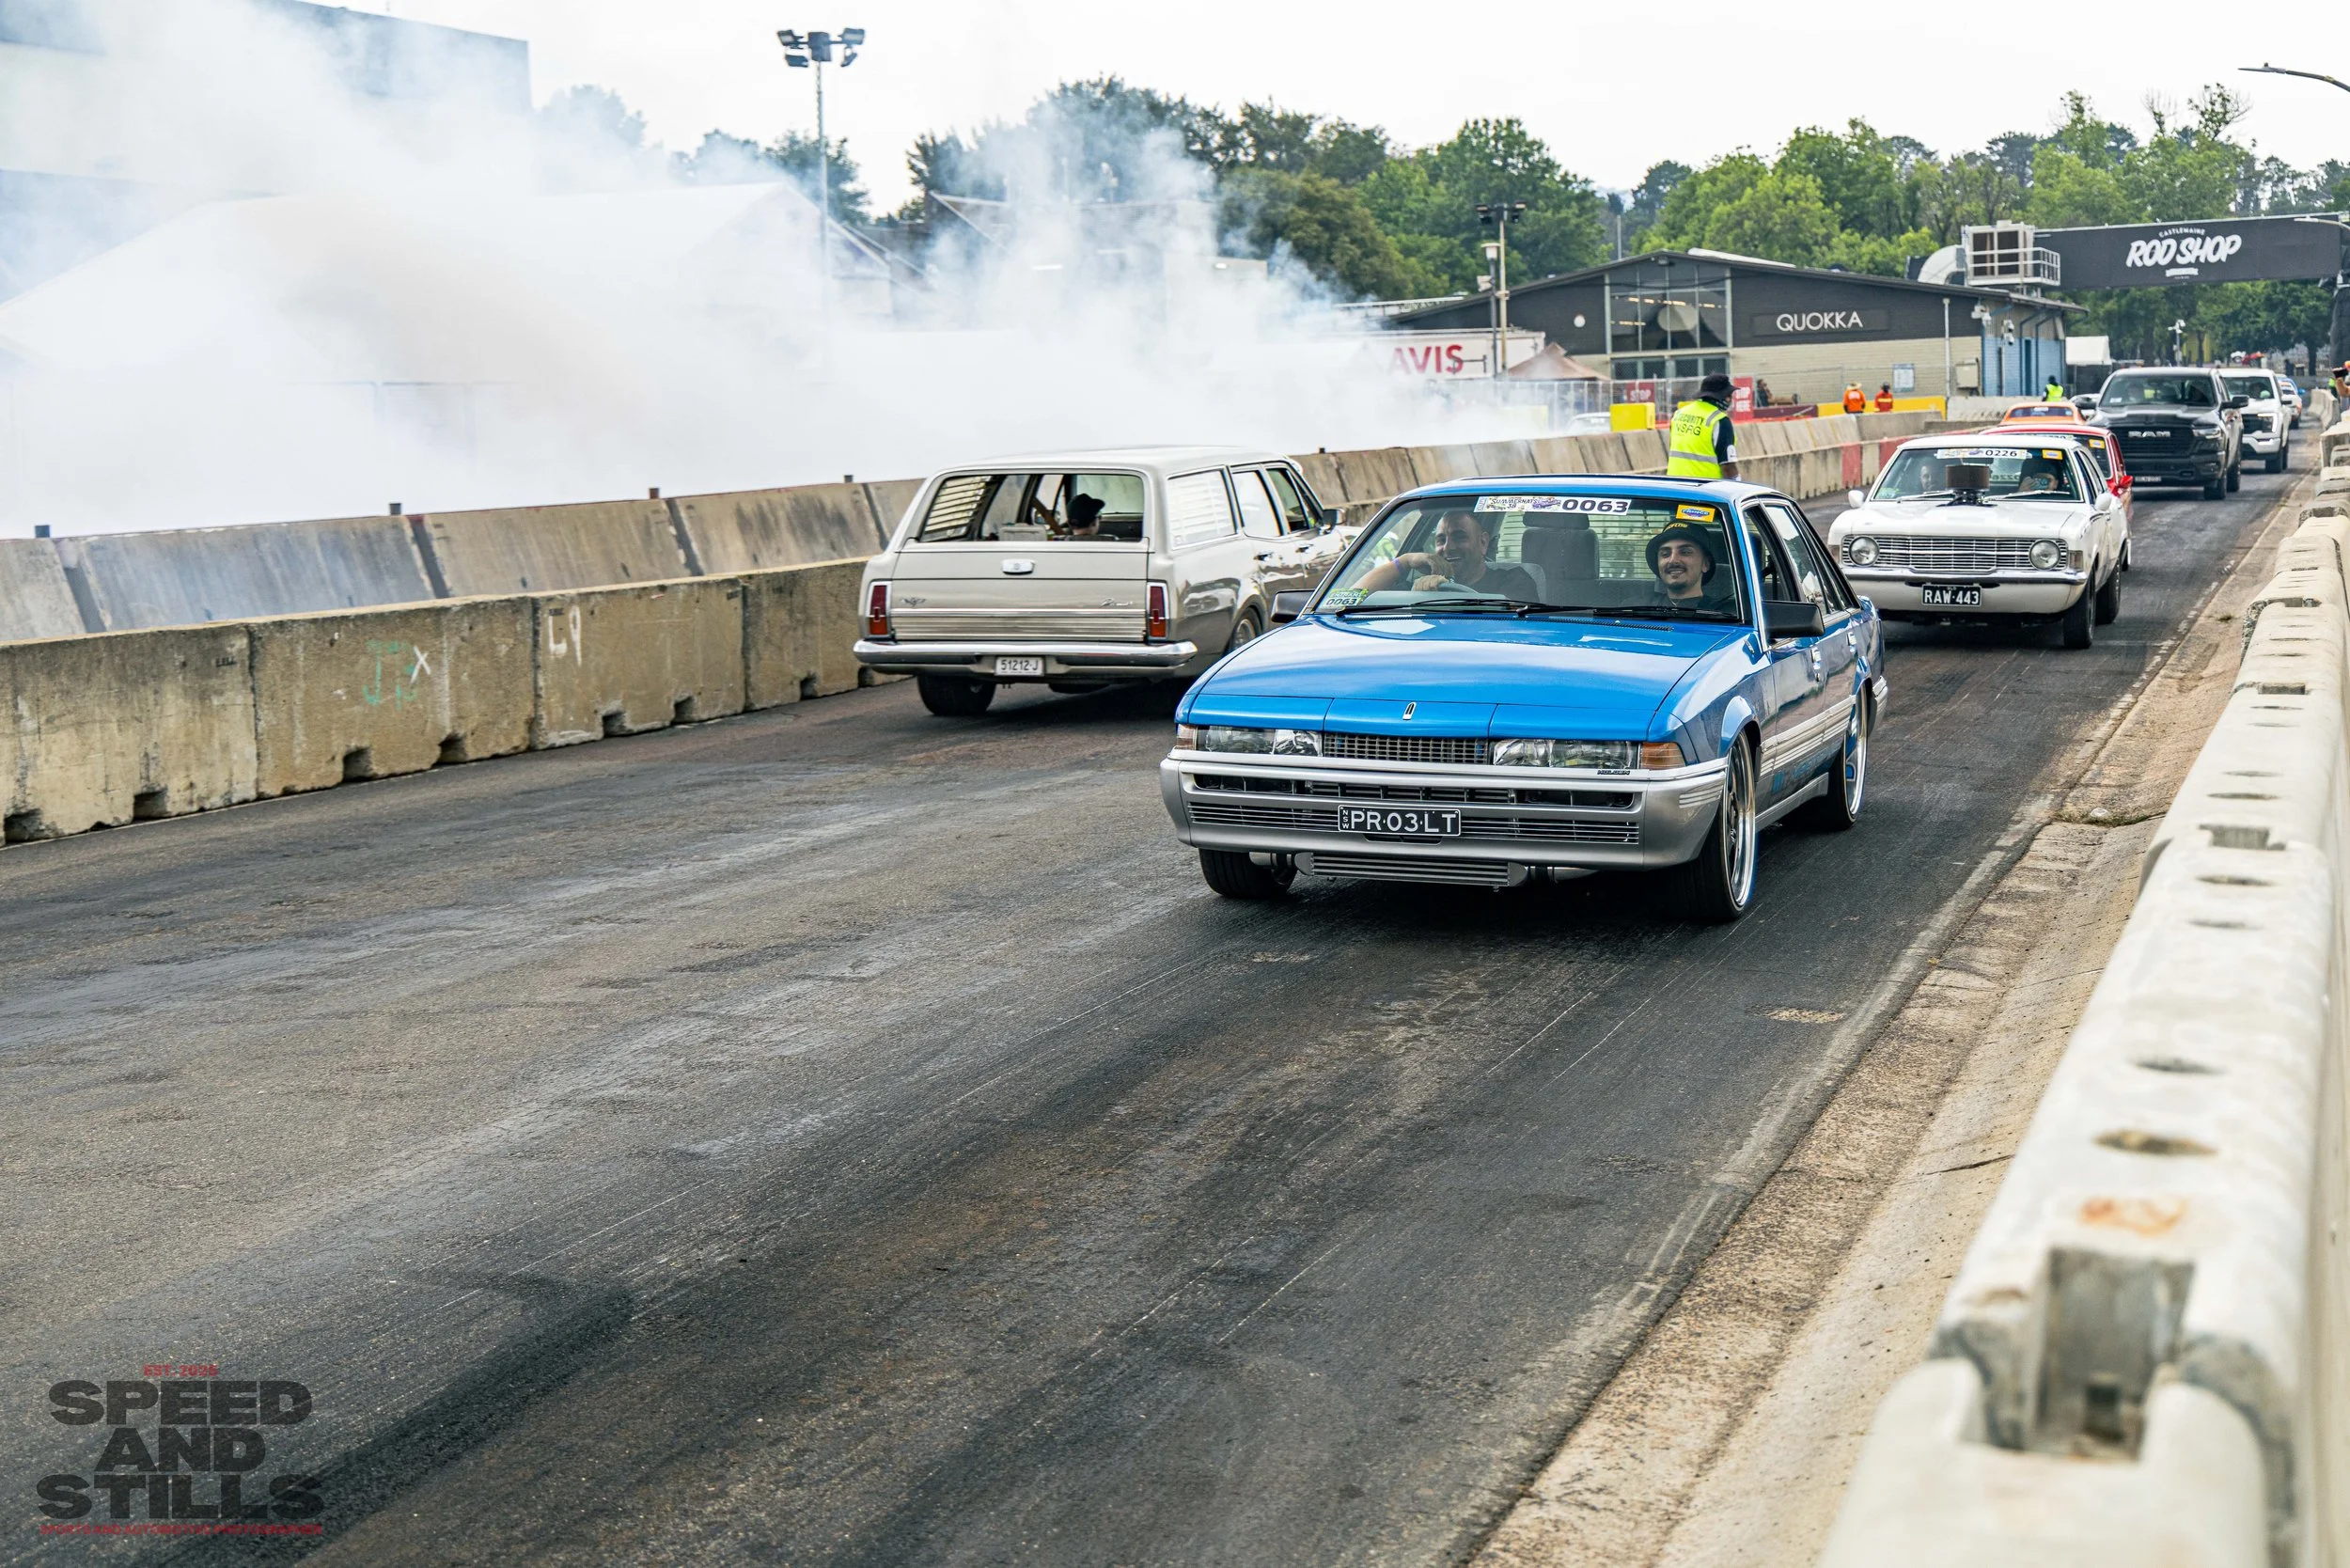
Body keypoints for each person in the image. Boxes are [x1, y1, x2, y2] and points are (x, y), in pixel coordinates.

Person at [1355, 509, 1543, 600]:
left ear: (1483, 542)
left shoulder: (1514, 581)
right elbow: (1353, 597)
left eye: (1459, 537)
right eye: (1440, 540)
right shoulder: (1420, 585)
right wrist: (1405, 561)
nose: (1448, 547)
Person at [1665, 372, 1741, 479]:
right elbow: (1727, 466)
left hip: (1676, 485)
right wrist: (1738, 486)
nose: (1730, 400)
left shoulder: (1679, 414)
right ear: (1721, 396)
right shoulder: (1719, 421)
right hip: (1706, 489)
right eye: (1728, 396)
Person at [1647, 524, 1736, 610]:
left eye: (1685, 552)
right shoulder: (1640, 606)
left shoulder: (1724, 614)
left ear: (1706, 564)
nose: (1673, 560)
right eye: (1665, 554)